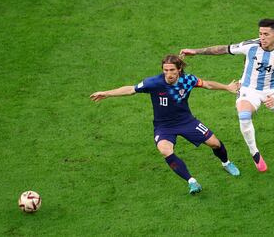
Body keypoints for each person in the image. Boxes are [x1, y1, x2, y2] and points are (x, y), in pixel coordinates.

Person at [180, 18, 274, 172]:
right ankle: (255, 153)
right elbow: (223, 49)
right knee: (244, 116)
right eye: (260, 33)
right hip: (249, 89)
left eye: (266, 34)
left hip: (273, 90)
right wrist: (196, 51)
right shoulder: (250, 46)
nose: (262, 37)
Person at [90, 55, 240, 195]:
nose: (169, 74)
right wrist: (107, 93)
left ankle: (226, 163)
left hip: (186, 121)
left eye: (172, 70)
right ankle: (192, 181)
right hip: (164, 126)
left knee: (214, 143)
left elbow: (207, 84)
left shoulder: (187, 80)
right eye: (166, 70)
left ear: (179, 69)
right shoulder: (153, 83)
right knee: (164, 150)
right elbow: (131, 89)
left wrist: (227, 87)